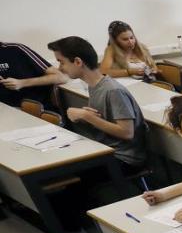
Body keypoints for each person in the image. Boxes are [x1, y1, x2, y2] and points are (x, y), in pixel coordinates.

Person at [49, 36, 147, 173]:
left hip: (125, 159)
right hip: (107, 150)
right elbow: (104, 122)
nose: (60, 68)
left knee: (67, 175)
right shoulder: (94, 86)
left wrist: (87, 116)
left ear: (77, 62)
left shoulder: (113, 90)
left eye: (62, 62)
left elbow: (127, 132)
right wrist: (84, 117)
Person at [0, 41, 63, 108]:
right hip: (6, 109)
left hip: (37, 108)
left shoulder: (15, 49)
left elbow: (60, 77)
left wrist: (21, 83)